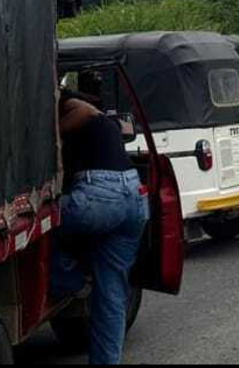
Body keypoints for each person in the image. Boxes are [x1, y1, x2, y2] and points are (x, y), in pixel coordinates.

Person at [50, 93, 149, 365]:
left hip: (102, 194)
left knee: (41, 226)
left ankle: (71, 280)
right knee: (112, 297)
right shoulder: (106, 124)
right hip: (135, 197)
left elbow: (62, 129)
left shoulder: (76, 108)